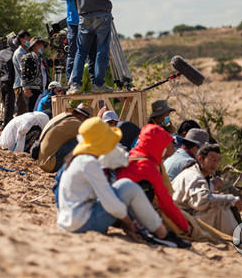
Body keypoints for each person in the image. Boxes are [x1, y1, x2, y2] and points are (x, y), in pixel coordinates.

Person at [56, 117, 189, 248]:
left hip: (69, 220)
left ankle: (158, 232)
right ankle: (162, 234)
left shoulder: (77, 159)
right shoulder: (89, 163)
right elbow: (112, 205)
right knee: (128, 187)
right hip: (80, 223)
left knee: (125, 187)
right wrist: (130, 225)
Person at [116, 124, 191, 237]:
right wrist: (184, 226)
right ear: (159, 146)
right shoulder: (148, 167)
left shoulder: (131, 156)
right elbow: (165, 201)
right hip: (133, 217)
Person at [67, 0, 118, 95]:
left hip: (83, 14)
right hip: (101, 13)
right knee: (101, 49)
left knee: (81, 51)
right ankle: (98, 84)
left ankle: (75, 85)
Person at [172, 144, 242, 235]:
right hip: (180, 217)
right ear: (200, 159)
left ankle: (240, 234)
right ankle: (238, 237)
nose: (215, 164)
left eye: (217, 161)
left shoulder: (197, 172)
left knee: (221, 200)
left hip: (183, 214)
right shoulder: (194, 176)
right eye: (212, 159)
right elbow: (201, 202)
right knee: (220, 206)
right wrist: (231, 199)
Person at [57, 0, 96, 83]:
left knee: (92, 52)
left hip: (90, 21)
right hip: (74, 22)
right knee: (73, 51)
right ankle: (72, 82)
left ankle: (92, 81)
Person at [31, 103, 93, 173]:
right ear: (84, 117)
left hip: (41, 160)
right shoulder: (77, 124)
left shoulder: (63, 115)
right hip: (50, 164)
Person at [21, 36, 48, 112]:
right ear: (33, 46)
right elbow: (24, 73)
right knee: (31, 112)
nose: (42, 47)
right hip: (32, 90)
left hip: (42, 90)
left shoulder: (42, 59)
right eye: (39, 45)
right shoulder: (28, 57)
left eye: (42, 45)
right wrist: (26, 88)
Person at [0, 34, 18, 127]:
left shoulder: (1, 52)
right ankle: (6, 128)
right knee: (9, 108)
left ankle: (6, 126)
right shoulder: (15, 54)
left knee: (6, 107)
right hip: (11, 83)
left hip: (2, 82)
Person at [12, 30, 31, 116]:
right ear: (21, 40)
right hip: (21, 85)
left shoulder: (26, 52)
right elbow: (23, 69)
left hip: (24, 85)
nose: (28, 41)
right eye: (26, 38)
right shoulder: (19, 53)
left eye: (29, 38)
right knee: (21, 112)